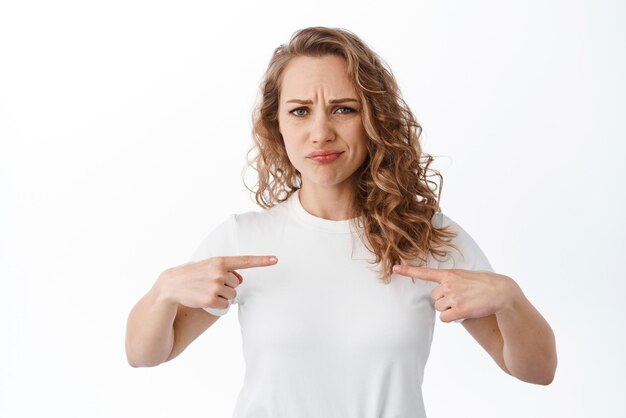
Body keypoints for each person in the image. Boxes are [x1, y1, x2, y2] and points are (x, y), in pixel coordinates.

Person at [125, 26, 557, 417]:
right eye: (299, 111)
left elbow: (538, 371)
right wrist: (163, 291)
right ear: (276, 124)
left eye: (343, 109)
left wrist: (510, 298)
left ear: (375, 119)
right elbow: (144, 354)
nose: (320, 132)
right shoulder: (245, 240)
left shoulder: (425, 239)